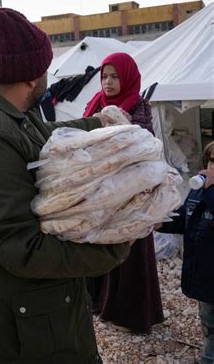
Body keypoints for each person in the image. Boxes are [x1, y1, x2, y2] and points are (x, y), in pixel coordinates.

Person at [0, 7, 131, 363]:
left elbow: (42, 135)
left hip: (36, 310)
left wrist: (98, 123)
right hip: (23, 328)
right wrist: (112, 247)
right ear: (30, 77)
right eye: (46, 66)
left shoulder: (1, 111)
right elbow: (21, 249)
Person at [83, 51, 164, 333]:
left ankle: (134, 315)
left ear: (127, 76)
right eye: (104, 76)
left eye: (115, 76)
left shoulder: (138, 107)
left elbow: (144, 144)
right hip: (102, 190)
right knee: (102, 245)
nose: (108, 82)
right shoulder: (95, 104)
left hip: (130, 192)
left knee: (131, 251)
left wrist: (117, 129)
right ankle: (104, 305)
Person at [159, 142, 214, 364]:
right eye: (212, 161)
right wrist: (160, 222)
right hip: (204, 274)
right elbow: (185, 217)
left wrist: (211, 190)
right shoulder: (199, 189)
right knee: (208, 320)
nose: (213, 167)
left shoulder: (208, 190)